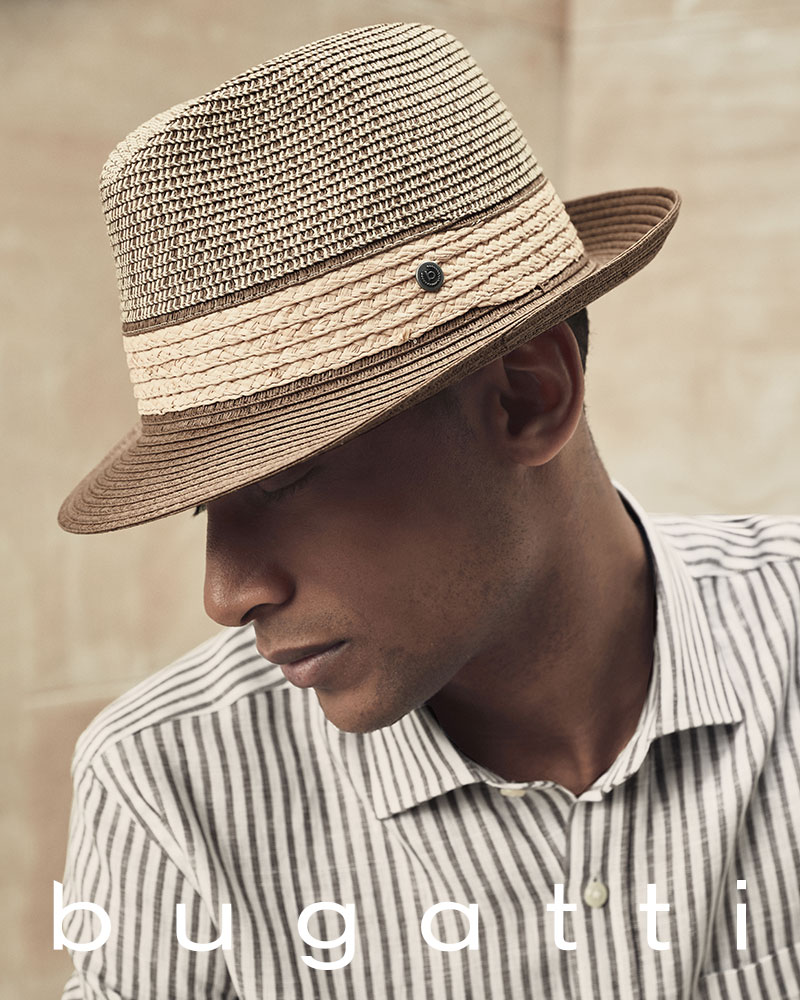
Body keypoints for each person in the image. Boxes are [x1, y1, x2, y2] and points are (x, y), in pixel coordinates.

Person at [56, 21, 800, 1000]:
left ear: (526, 397)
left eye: (282, 477)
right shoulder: (168, 786)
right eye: (204, 504)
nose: (226, 594)